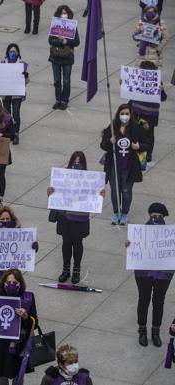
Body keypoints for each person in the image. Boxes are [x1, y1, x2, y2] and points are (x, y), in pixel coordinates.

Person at [47, 152, 105, 284]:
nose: (76, 163)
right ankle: (66, 270)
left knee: (78, 244)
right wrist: (50, 193)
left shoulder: (90, 179)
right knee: (66, 243)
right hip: (65, 216)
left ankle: (76, 270)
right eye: (74, 161)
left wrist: (100, 195)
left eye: (79, 161)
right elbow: (56, 195)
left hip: (80, 217)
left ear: (83, 164)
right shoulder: (62, 177)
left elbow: (94, 197)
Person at [0, 206, 38, 326]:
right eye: (2, 218)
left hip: (9, 278)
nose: (5, 221)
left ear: (11, 219)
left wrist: (33, 247)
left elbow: (23, 251)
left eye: (7, 218)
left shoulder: (17, 234)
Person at [125, 202, 173, 347]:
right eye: (153, 216)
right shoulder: (141, 231)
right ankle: (142, 330)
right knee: (144, 300)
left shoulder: (170, 234)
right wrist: (129, 244)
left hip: (164, 274)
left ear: (163, 217)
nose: (156, 218)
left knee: (159, 301)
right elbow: (136, 246)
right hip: (143, 272)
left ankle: (155, 331)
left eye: (158, 216)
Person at [0, 269, 37, 385]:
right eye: (8, 282)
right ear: (3, 283)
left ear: (20, 283)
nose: (11, 285)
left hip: (19, 345)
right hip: (1, 346)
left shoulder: (28, 298)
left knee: (18, 376)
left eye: (14, 282)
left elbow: (35, 322)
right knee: (2, 376)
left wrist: (25, 316)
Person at [100, 104, 148, 226]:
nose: (124, 116)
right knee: (115, 191)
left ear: (130, 115)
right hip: (113, 166)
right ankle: (116, 213)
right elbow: (103, 145)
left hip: (129, 166)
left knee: (126, 192)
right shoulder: (113, 127)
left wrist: (139, 147)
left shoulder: (136, 128)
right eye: (122, 114)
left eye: (127, 113)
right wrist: (109, 142)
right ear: (118, 114)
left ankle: (125, 213)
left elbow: (147, 144)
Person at [129, 61, 167, 163]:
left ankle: (148, 154)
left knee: (149, 135)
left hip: (151, 114)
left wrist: (162, 90)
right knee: (136, 132)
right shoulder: (137, 78)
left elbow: (163, 98)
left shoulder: (157, 81)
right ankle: (137, 151)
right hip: (137, 112)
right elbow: (130, 92)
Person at [48, 5, 80, 110]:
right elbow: (50, 41)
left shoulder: (72, 26)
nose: (64, 15)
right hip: (55, 57)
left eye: (65, 13)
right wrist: (60, 40)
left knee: (66, 81)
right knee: (57, 80)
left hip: (67, 58)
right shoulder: (55, 25)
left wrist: (67, 41)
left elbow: (77, 42)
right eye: (62, 13)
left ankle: (64, 100)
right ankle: (58, 99)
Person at [1, 43, 28, 145]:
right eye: (10, 51)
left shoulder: (22, 65)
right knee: (7, 114)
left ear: (17, 53)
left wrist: (25, 76)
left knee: (16, 114)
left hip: (16, 94)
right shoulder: (3, 64)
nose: (12, 53)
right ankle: (8, 132)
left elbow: (26, 82)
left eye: (14, 51)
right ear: (8, 53)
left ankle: (16, 133)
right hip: (6, 93)